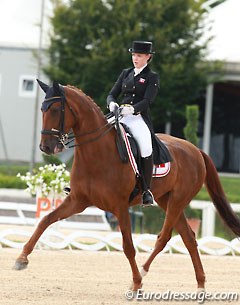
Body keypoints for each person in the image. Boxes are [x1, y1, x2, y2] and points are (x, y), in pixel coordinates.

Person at [107, 41, 161, 207]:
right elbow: (112, 94)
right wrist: (111, 104)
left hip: (137, 117)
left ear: (148, 57)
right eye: (133, 55)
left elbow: (147, 100)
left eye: (139, 56)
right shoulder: (126, 73)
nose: (135, 58)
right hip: (119, 115)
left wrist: (132, 109)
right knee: (95, 134)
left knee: (145, 147)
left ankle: (146, 190)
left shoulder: (152, 77)